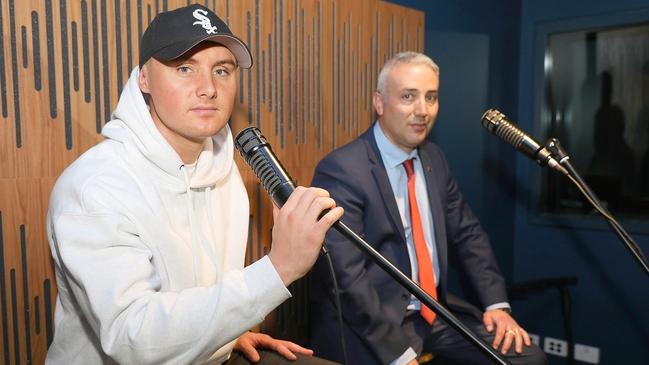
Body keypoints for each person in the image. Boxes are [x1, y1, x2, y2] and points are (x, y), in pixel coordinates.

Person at [45, 4, 343, 365]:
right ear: (144, 79)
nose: (208, 89)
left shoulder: (224, 170)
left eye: (222, 70)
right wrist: (276, 270)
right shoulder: (94, 188)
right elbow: (131, 338)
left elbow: (196, 293)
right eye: (184, 68)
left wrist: (226, 332)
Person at [309, 52, 547, 365]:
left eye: (431, 97)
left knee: (528, 359)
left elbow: (468, 234)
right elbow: (346, 280)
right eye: (408, 97)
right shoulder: (342, 170)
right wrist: (398, 354)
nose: (423, 110)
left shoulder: (434, 158)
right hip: (370, 324)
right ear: (379, 103)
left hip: (433, 314)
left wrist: (496, 306)